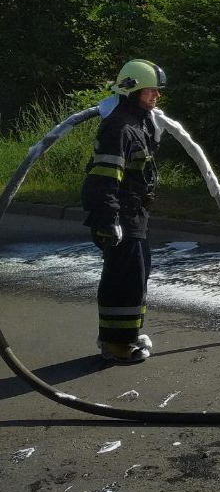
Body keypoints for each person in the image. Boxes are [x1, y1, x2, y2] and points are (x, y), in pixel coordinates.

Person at [82, 59, 167, 363]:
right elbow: (102, 178)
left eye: (157, 91)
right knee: (123, 280)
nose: (155, 96)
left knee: (137, 274)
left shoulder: (137, 123)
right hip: (121, 216)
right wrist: (108, 219)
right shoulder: (118, 127)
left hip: (135, 216)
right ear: (131, 92)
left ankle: (125, 337)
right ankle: (115, 345)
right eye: (149, 92)